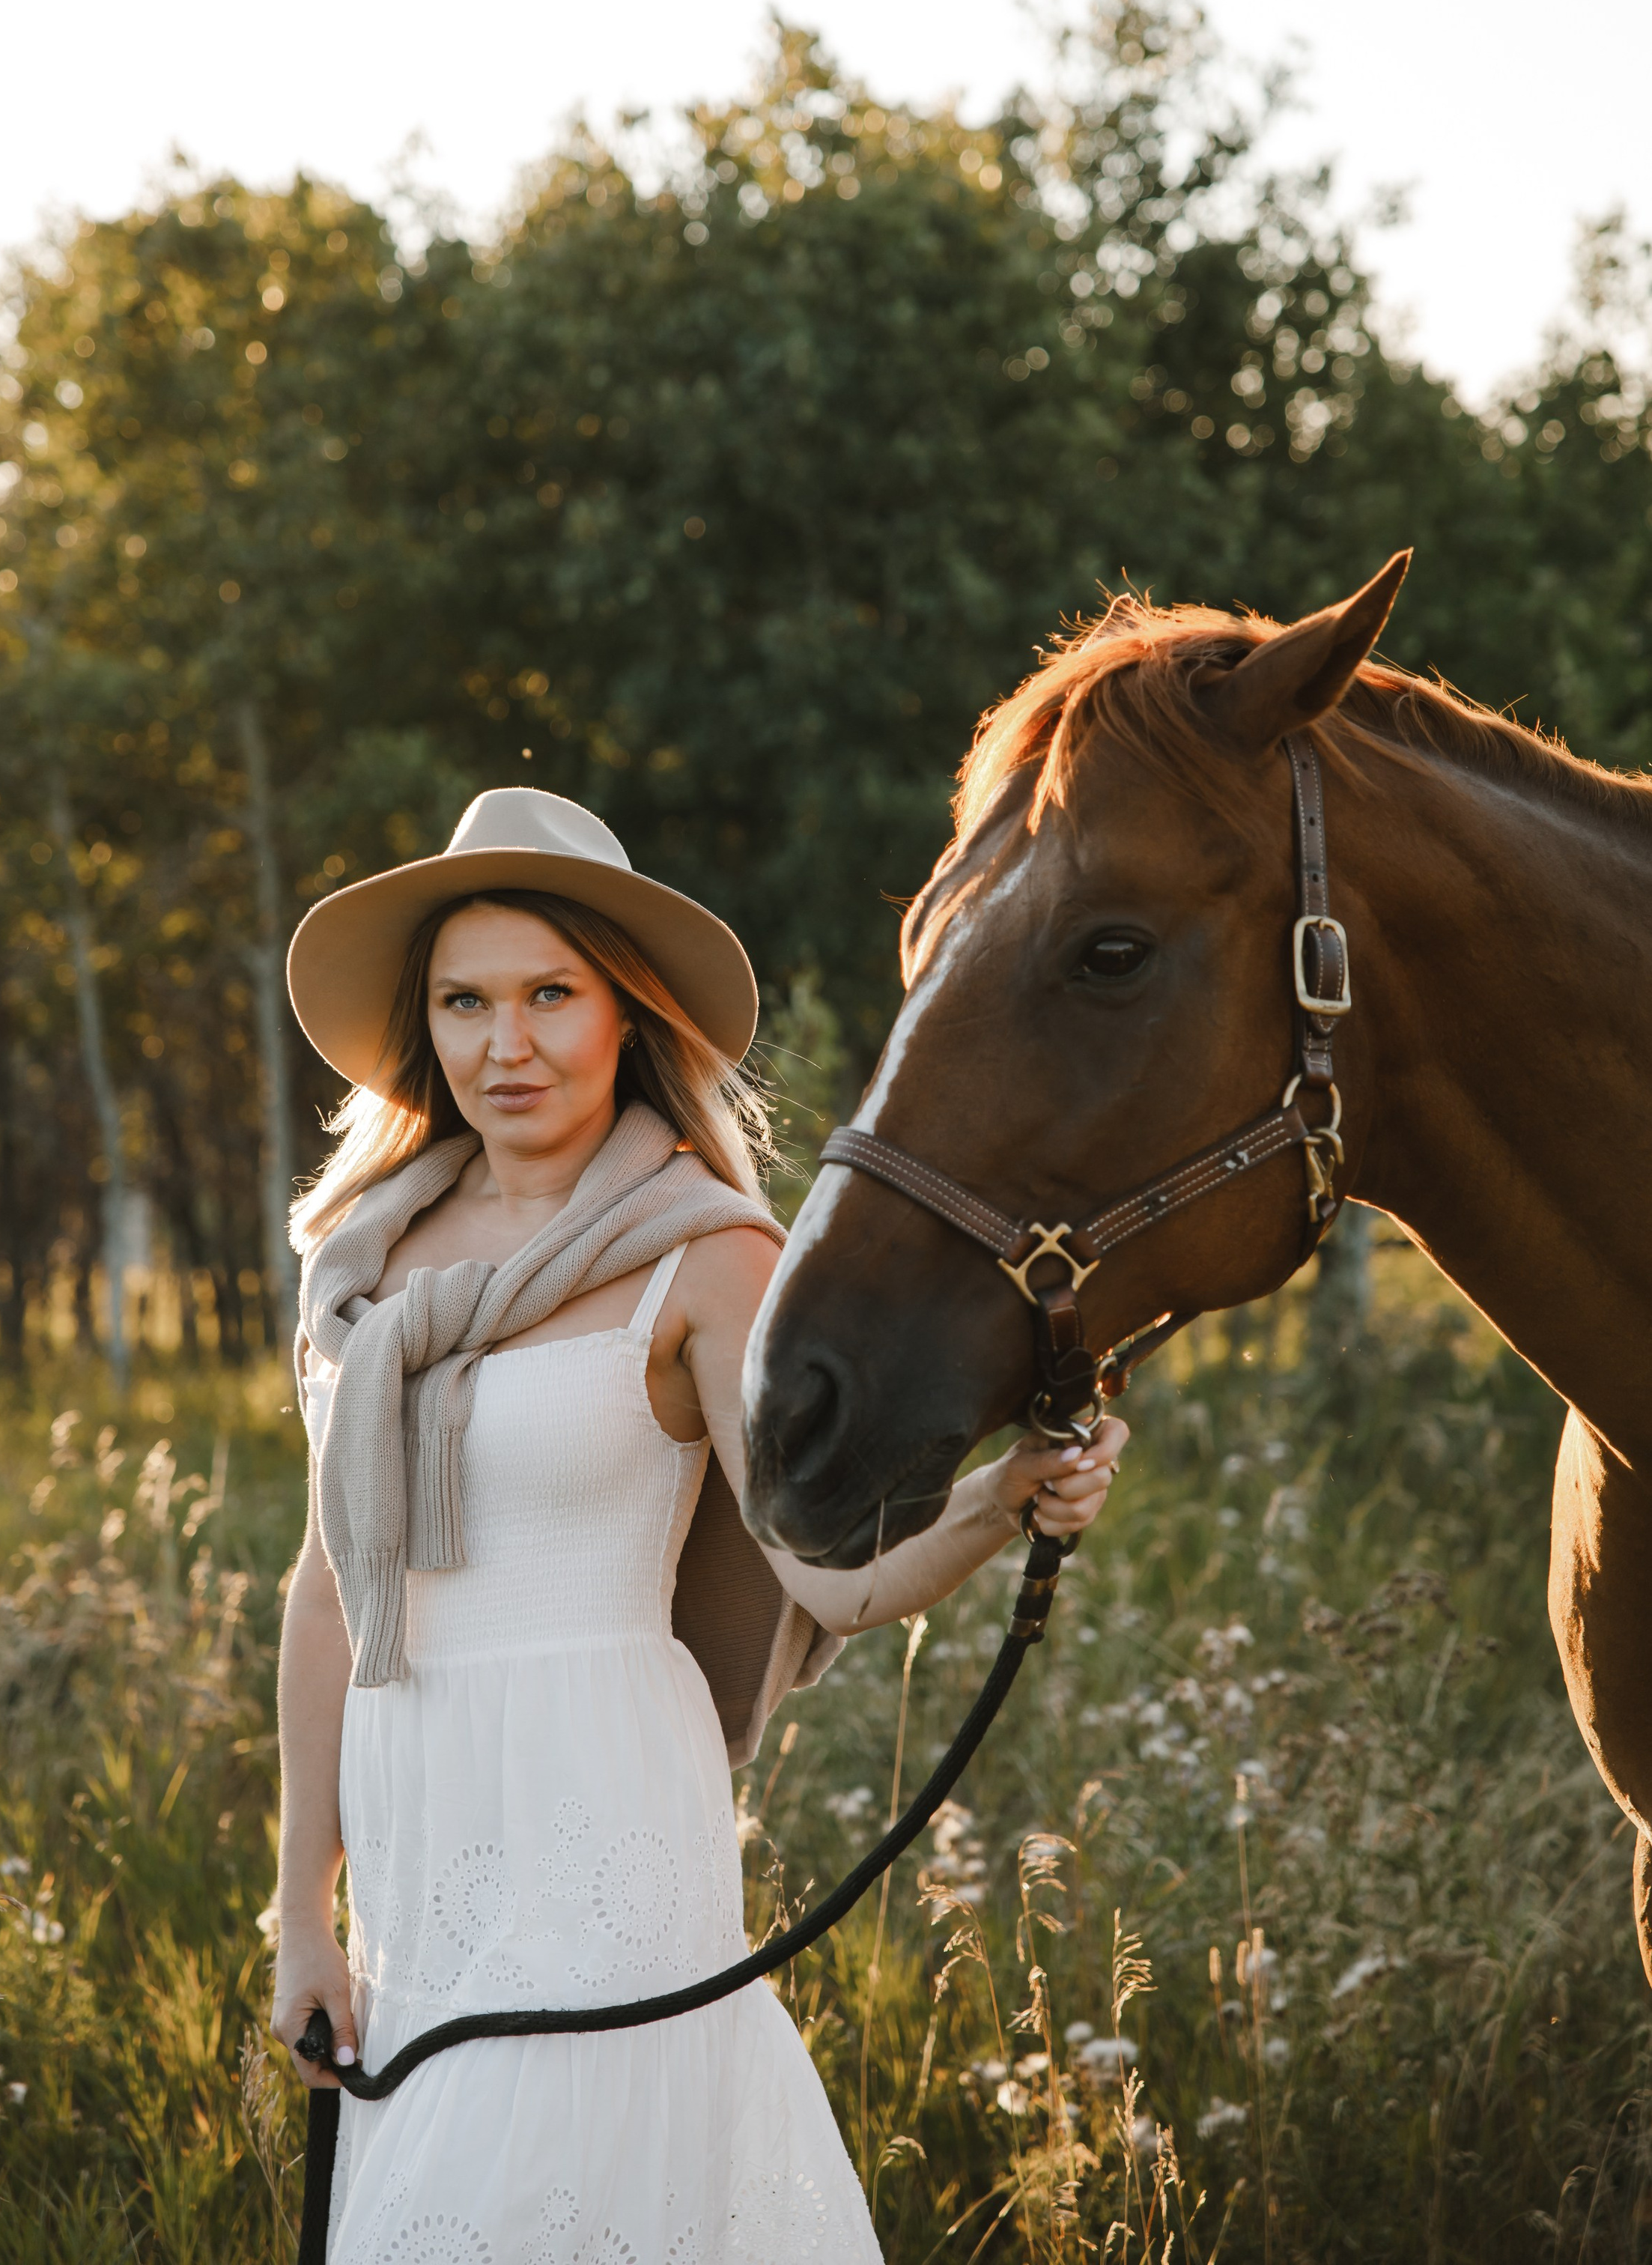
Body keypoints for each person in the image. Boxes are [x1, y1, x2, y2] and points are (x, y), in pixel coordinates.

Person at [270, 787, 1127, 2261]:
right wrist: (302, 1911)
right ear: (427, 1028)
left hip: (602, 1786)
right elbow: (326, 1597)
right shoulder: (370, 1262)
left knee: (512, 2204)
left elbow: (827, 1583)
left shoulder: (710, 1252)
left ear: (626, 1013)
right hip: (419, 1804)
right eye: (464, 1003)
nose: (506, 1044)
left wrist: (998, 1506)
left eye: (552, 995)